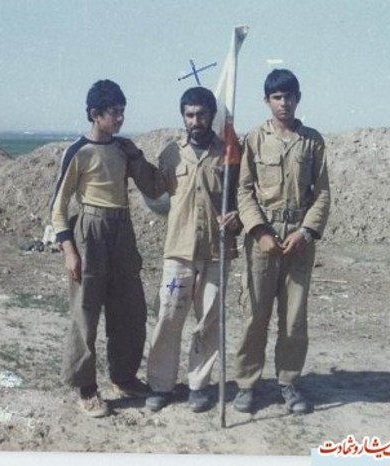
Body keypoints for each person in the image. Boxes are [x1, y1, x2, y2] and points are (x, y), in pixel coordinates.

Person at [50, 79, 163, 417]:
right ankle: (86, 389)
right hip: (91, 231)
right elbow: (58, 207)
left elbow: (154, 187)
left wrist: (138, 155)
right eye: (114, 112)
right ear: (95, 114)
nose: (120, 118)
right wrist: (70, 251)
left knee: (130, 309)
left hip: (122, 230)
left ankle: (123, 377)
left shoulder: (123, 149)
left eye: (123, 112)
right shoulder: (79, 152)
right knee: (85, 311)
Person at [232, 69, 330, 414]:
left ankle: (288, 382)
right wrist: (259, 231)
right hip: (263, 237)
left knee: (293, 318)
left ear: (297, 98)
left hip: (298, 238)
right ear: (266, 101)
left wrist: (306, 232)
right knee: (254, 314)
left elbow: (322, 193)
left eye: (289, 96)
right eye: (276, 97)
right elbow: (244, 190)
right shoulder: (254, 139)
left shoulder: (312, 141)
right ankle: (247, 384)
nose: (283, 103)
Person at [144, 86, 241, 413]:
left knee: (209, 319)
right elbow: (157, 197)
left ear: (212, 116)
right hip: (179, 252)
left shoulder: (228, 153)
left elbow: (240, 197)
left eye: (201, 114)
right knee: (169, 315)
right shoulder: (172, 154)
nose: (195, 120)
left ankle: (199, 386)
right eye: (189, 114)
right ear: (183, 116)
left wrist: (237, 217)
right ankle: (160, 385)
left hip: (216, 251)